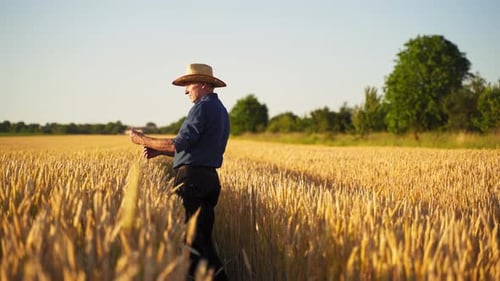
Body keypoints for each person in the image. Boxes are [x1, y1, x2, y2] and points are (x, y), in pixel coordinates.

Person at [129, 63, 230, 281]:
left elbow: (179, 144)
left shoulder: (202, 107)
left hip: (192, 180)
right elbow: (198, 150)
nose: (185, 90)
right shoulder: (220, 110)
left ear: (203, 84)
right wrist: (159, 152)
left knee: (195, 245)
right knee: (200, 241)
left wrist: (142, 140)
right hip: (209, 179)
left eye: (188, 85)